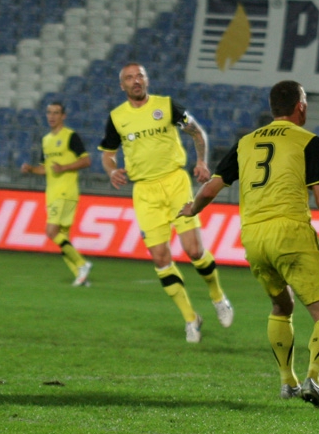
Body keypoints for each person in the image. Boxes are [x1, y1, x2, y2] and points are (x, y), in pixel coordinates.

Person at [180, 80, 319, 410]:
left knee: (281, 306)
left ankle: (288, 381)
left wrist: (193, 209)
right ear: (301, 106)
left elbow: (212, 187)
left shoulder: (245, 142)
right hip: (290, 232)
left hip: (253, 237)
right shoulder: (308, 140)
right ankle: (314, 379)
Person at [99, 63, 233, 343]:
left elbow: (196, 132)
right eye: (129, 78)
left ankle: (218, 297)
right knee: (160, 258)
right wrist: (112, 171)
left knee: (194, 250)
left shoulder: (167, 106)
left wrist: (201, 162)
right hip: (144, 192)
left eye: (139, 76)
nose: (136, 81)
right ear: (122, 86)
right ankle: (190, 318)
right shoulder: (117, 118)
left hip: (175, 183)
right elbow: (108, 154)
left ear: (147, 80)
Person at [20, 101, 93, 286]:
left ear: (63, 116)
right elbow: (45, 169)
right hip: (52, 194)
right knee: (63, 238)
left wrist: (65, 167)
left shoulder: (70, 136)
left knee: (51, 232)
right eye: (49, 112)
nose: (51, 116)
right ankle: (81, 276)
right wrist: (31, 169)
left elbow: (86, 161)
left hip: (66, 191)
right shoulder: (45, 140)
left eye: (56, 113)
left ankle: (82, 264)